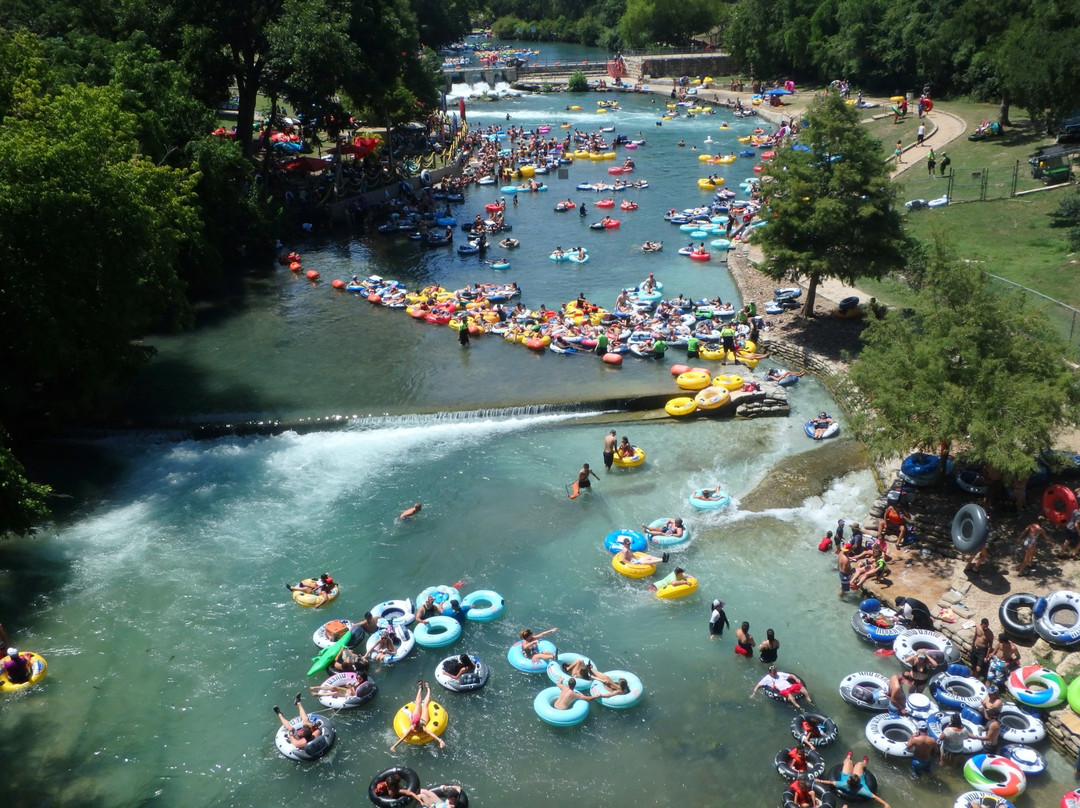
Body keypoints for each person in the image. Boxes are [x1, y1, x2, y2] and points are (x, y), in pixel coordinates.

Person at [817, 752, 891, 808]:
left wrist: (819, 781)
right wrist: (885, 804)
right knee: (856, 764)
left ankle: (852, 758)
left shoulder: (844, 784)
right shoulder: (862, 789)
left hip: (846, 776)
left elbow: (831, 782)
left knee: (852, 763)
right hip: (854, 778)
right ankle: (860, 760)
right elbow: (874, 797)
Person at [391, 681, 446, 751]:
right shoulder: (411, 727)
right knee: (417, 704)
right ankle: (420, 688)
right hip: (416, 717)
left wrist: (440, 740)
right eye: (414, 724)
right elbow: (402, 738)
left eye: (415, 724)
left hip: (423, 720)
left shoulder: (422, 728)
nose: (415, 726)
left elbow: (432, 734)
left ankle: (428, 689)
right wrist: (394, 746)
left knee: (425, 705)